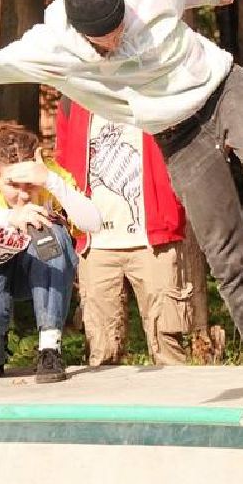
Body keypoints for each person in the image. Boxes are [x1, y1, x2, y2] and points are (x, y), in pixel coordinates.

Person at [0, 0, 243, 417]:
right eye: (105, 39)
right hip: (177, 134)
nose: (117, 40)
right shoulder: (49, 44)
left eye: (120, 27)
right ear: (80, 34)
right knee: (224, 249)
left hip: (222, 88)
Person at [53, 99, 192, 366]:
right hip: (95, 243)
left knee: (167, 342)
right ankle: (105, 406)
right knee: (101, 347)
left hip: (153, 238)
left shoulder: (152, 93)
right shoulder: (74, 99)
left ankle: (177, 402)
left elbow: (185, 150)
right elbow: (63, 160)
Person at [0, 121, 101, 381]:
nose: (24, 196)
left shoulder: (49, 175)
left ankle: (49, 347)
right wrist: (9, 216)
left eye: (29, 185)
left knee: (55, 232)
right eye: (13, 185)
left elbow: (94, 223)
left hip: (38, 269)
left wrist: (50, 180)